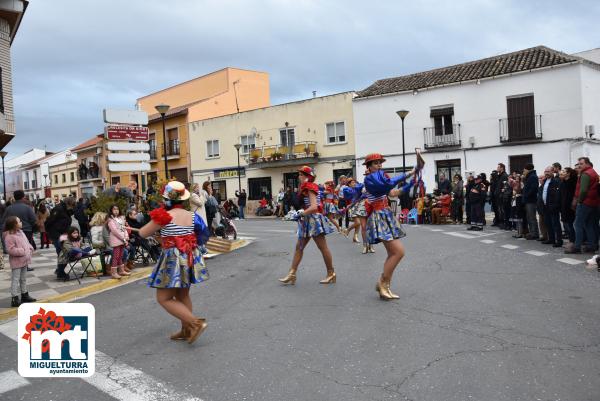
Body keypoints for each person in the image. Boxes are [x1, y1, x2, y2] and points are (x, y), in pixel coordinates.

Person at [140, 181, 209, 344]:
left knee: (163, 298)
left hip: (172, 259)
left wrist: (165, 234)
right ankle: (186, 330)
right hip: (189, 256)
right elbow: (203, 234)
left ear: (166, 198)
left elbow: (143, 233)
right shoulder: (192, 215)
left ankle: (195, 323)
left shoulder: (164, 216)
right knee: (182, 294)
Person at [363, 153, 418, 300]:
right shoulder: (369, 179)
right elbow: (387, 186)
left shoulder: (380, 177)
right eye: (375, 163)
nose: (379, 165)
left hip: (385, 215)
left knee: (393, 253)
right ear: (368, 166)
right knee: (398, 252)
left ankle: (384, 284)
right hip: (379, 217)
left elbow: (393, 192)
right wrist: (409, 173)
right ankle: (383, 283)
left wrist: (412, 183)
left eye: (380, 162)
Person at [279, 166, 337, 286]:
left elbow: (314, 206)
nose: (299, 177)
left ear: (307, 176)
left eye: (301, 174)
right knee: (299, 247)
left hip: (313, 219)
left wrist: (300, 213)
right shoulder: (308, 186)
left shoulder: (309, 186)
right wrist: (300, 214)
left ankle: (331, 273)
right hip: (307, 220)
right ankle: (292, 274)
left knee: (322, 247)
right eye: (299, 174)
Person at [566, 157, 599, 254]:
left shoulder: (586, 174)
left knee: (577, 224)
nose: (579, 165)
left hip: (585, 202)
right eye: (578, 163)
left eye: (581, 163)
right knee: (589, 224)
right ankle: (592, 245)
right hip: (593, 202)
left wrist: (579, 201)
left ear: (587, 164)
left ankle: (577, 247)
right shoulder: (593, 172)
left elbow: (583, 190)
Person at [4, 216, 36, 307]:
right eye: (19, 222)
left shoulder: (21, 232)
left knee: (23, 279)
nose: (21, 223)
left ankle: (24, 295)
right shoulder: (9, 236)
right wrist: (22, 251)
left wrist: (30, 248)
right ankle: (14, 298)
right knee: (15, 279)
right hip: (17, 261)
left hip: (24, 259)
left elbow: (26, 242)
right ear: (14, 225)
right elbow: (10, 250)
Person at [107, 204, 131, 279]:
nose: (116, 211)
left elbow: (124, 229)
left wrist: (126, 237)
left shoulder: (121, 218)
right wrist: (123, 238)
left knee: (120, 256)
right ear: (111, 210)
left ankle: (121, 270)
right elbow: (114, 231)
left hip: (122, 239)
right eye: (114, 209)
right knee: (116, 256)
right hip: (116, 240)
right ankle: (114, 273)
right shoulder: (110, 220)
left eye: (117, 209)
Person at [540, 166, 562, 247]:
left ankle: (559, 241)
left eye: (548, 171)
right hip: (545, 206)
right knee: (548, 223)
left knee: (555, 224)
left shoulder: (556, 181)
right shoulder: (545, 181)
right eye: (545, 171)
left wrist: (555, 205)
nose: (546, 173)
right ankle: (551, 239)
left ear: (553, 172)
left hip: (553, 206)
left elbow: (557, 195)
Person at [559, 168, 577, 244]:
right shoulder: (563, 182)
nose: (561, 172)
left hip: (570, 207)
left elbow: (572, 196)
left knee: (571, 225)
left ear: (568, 173)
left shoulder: (572, 183)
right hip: (564, 207)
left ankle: (573, 241)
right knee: (567, 225)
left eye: (564, 171)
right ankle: (571, 240)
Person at [522, 163, 540, 240]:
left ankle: (535, 233)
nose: (523, 172)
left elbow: (533, 189)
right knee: (529, 217)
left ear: (527, 169)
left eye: (524, 170)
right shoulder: (529, 176)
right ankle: (532, 232)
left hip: (531, 200)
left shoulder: (533, 177)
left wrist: (526, 195)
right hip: (528, 200)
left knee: (532, 217)